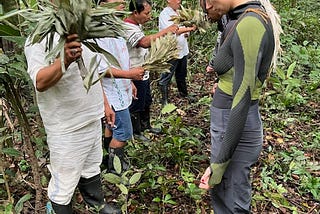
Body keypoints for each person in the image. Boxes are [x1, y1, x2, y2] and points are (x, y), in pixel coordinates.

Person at [198, 0, 282, 213]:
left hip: (233, 122)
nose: (207, 6)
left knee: (230, 195)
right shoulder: (246, 16)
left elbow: (242, 99)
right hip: (229, 119)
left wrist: (218, 165)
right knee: (227, 193)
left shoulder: (250, 24)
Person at [24, 34, 121, 213]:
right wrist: (65, 61)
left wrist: (105, 104)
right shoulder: (39, 38)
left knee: (92, 166)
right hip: (67, 126)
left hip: (91, 117)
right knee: (64, 182)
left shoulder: (83, 31)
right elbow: (40, 81)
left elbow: (92, 72)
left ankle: (97, 204)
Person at [95, 0, 145, 173]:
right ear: (102, 3)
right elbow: (100, 69)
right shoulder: (99, 32)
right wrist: (129, 75)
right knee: (123, 133)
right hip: (112, 93)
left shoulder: (115, 27)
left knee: (112, 127)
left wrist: (129, 81)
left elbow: (120, 58)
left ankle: (106, 159)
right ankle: (115, 170)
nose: (124, 2)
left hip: (120, 89)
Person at [124, 0, 178, 141]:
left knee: (146, 99)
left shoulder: (137, 25)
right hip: (134, 71)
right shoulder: (127, 26)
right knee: (136, 102)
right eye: (146, 13)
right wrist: (166, 31)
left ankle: (145, 125)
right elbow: (143, 42)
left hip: (144, 69)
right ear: (135, 12)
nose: (149, 16)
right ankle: (136, 132)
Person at [158, 0, 197, 105]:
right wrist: (190, 28)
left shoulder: (179, 13)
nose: (179, 1)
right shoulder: (164, 14)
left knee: (181, 74)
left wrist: (187, 32)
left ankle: (184, 93)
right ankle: (164, 100)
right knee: (166, 75)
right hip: (171, 51)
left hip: (182, 49)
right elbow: (173, 30)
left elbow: (183, 29)